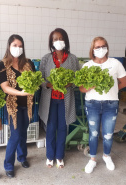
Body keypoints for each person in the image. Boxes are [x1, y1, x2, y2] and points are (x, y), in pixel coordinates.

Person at [79, 36, 126, 173]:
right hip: (92, 104)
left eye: (103, 46)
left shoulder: (115, 63)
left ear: (107, 48)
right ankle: (93, 159)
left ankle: (107, 156)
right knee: (93, 134)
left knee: (108, 134)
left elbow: (124, 82)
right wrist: (91, 86)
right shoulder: (87, 66)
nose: (100, 49)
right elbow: (82, 88)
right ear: (92, 49)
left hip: (111, 104)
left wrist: (112, 90)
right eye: (97, 47)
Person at [39, 28, 80, 168]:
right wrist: (48, 84)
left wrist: (71, 83)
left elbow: (78, 78)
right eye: (55, 39)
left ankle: (59, 156)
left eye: (60, 38)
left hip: (65, 99)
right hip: (50, 100)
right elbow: (40, 78)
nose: (58, 41)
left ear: (66, 41)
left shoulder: (73, 59)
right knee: (50, 127)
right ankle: (50, 156)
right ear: (51, 42)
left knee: (63, 128)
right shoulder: (46, 58)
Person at [0, 34, 35, 178]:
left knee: (23, 133)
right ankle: (8, 164)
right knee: (16, 134)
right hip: (13, 106)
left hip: (28, 105)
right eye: (14, 45)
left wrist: (32, 89)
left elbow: (35, 81)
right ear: (9, 46)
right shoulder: (2, 65)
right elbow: (5, 87)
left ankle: (23, 157)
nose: (17, 48)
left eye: (20, 46)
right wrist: (23, 93)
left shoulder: (28, 64)